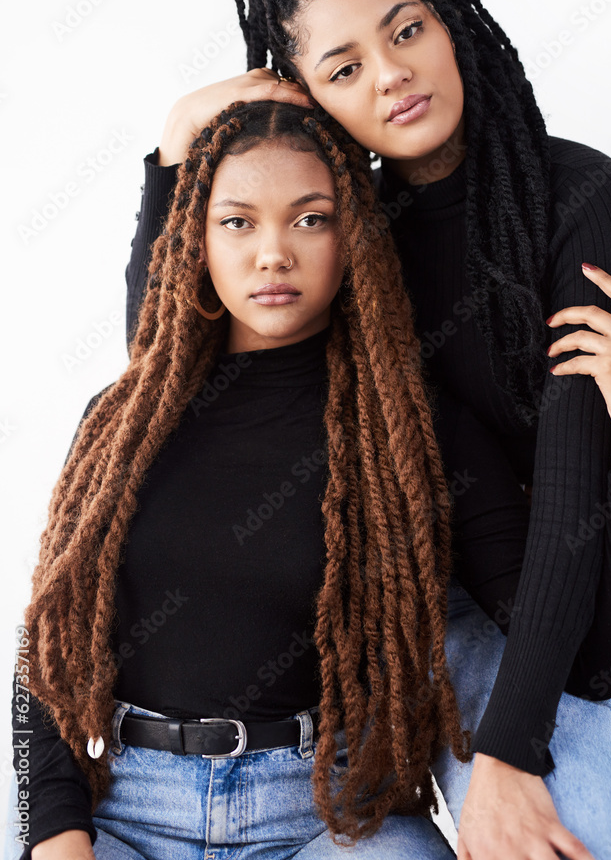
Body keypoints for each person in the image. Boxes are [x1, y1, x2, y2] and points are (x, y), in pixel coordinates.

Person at [121, 0, 611, 859]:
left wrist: (506, 754)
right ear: (309, 101)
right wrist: (177, 145)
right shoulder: (336, 235)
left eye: (406, 29)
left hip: (537, 583)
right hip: (381, 598)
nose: (391, 75)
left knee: (558, 834)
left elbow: (562, 508)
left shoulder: (579, 200)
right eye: (342, 69)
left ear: (448, 19)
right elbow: (169, 372)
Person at [13, 99, 473, 859]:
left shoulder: (400, 428)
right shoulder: (123, 417)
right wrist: (56, 832)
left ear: (351, 234)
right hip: (125, 809)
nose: (272, 253)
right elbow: (44, 644)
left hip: (323, 816)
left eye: (309, 219)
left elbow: (527, 592)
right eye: (237, 222)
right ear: (196, 237)